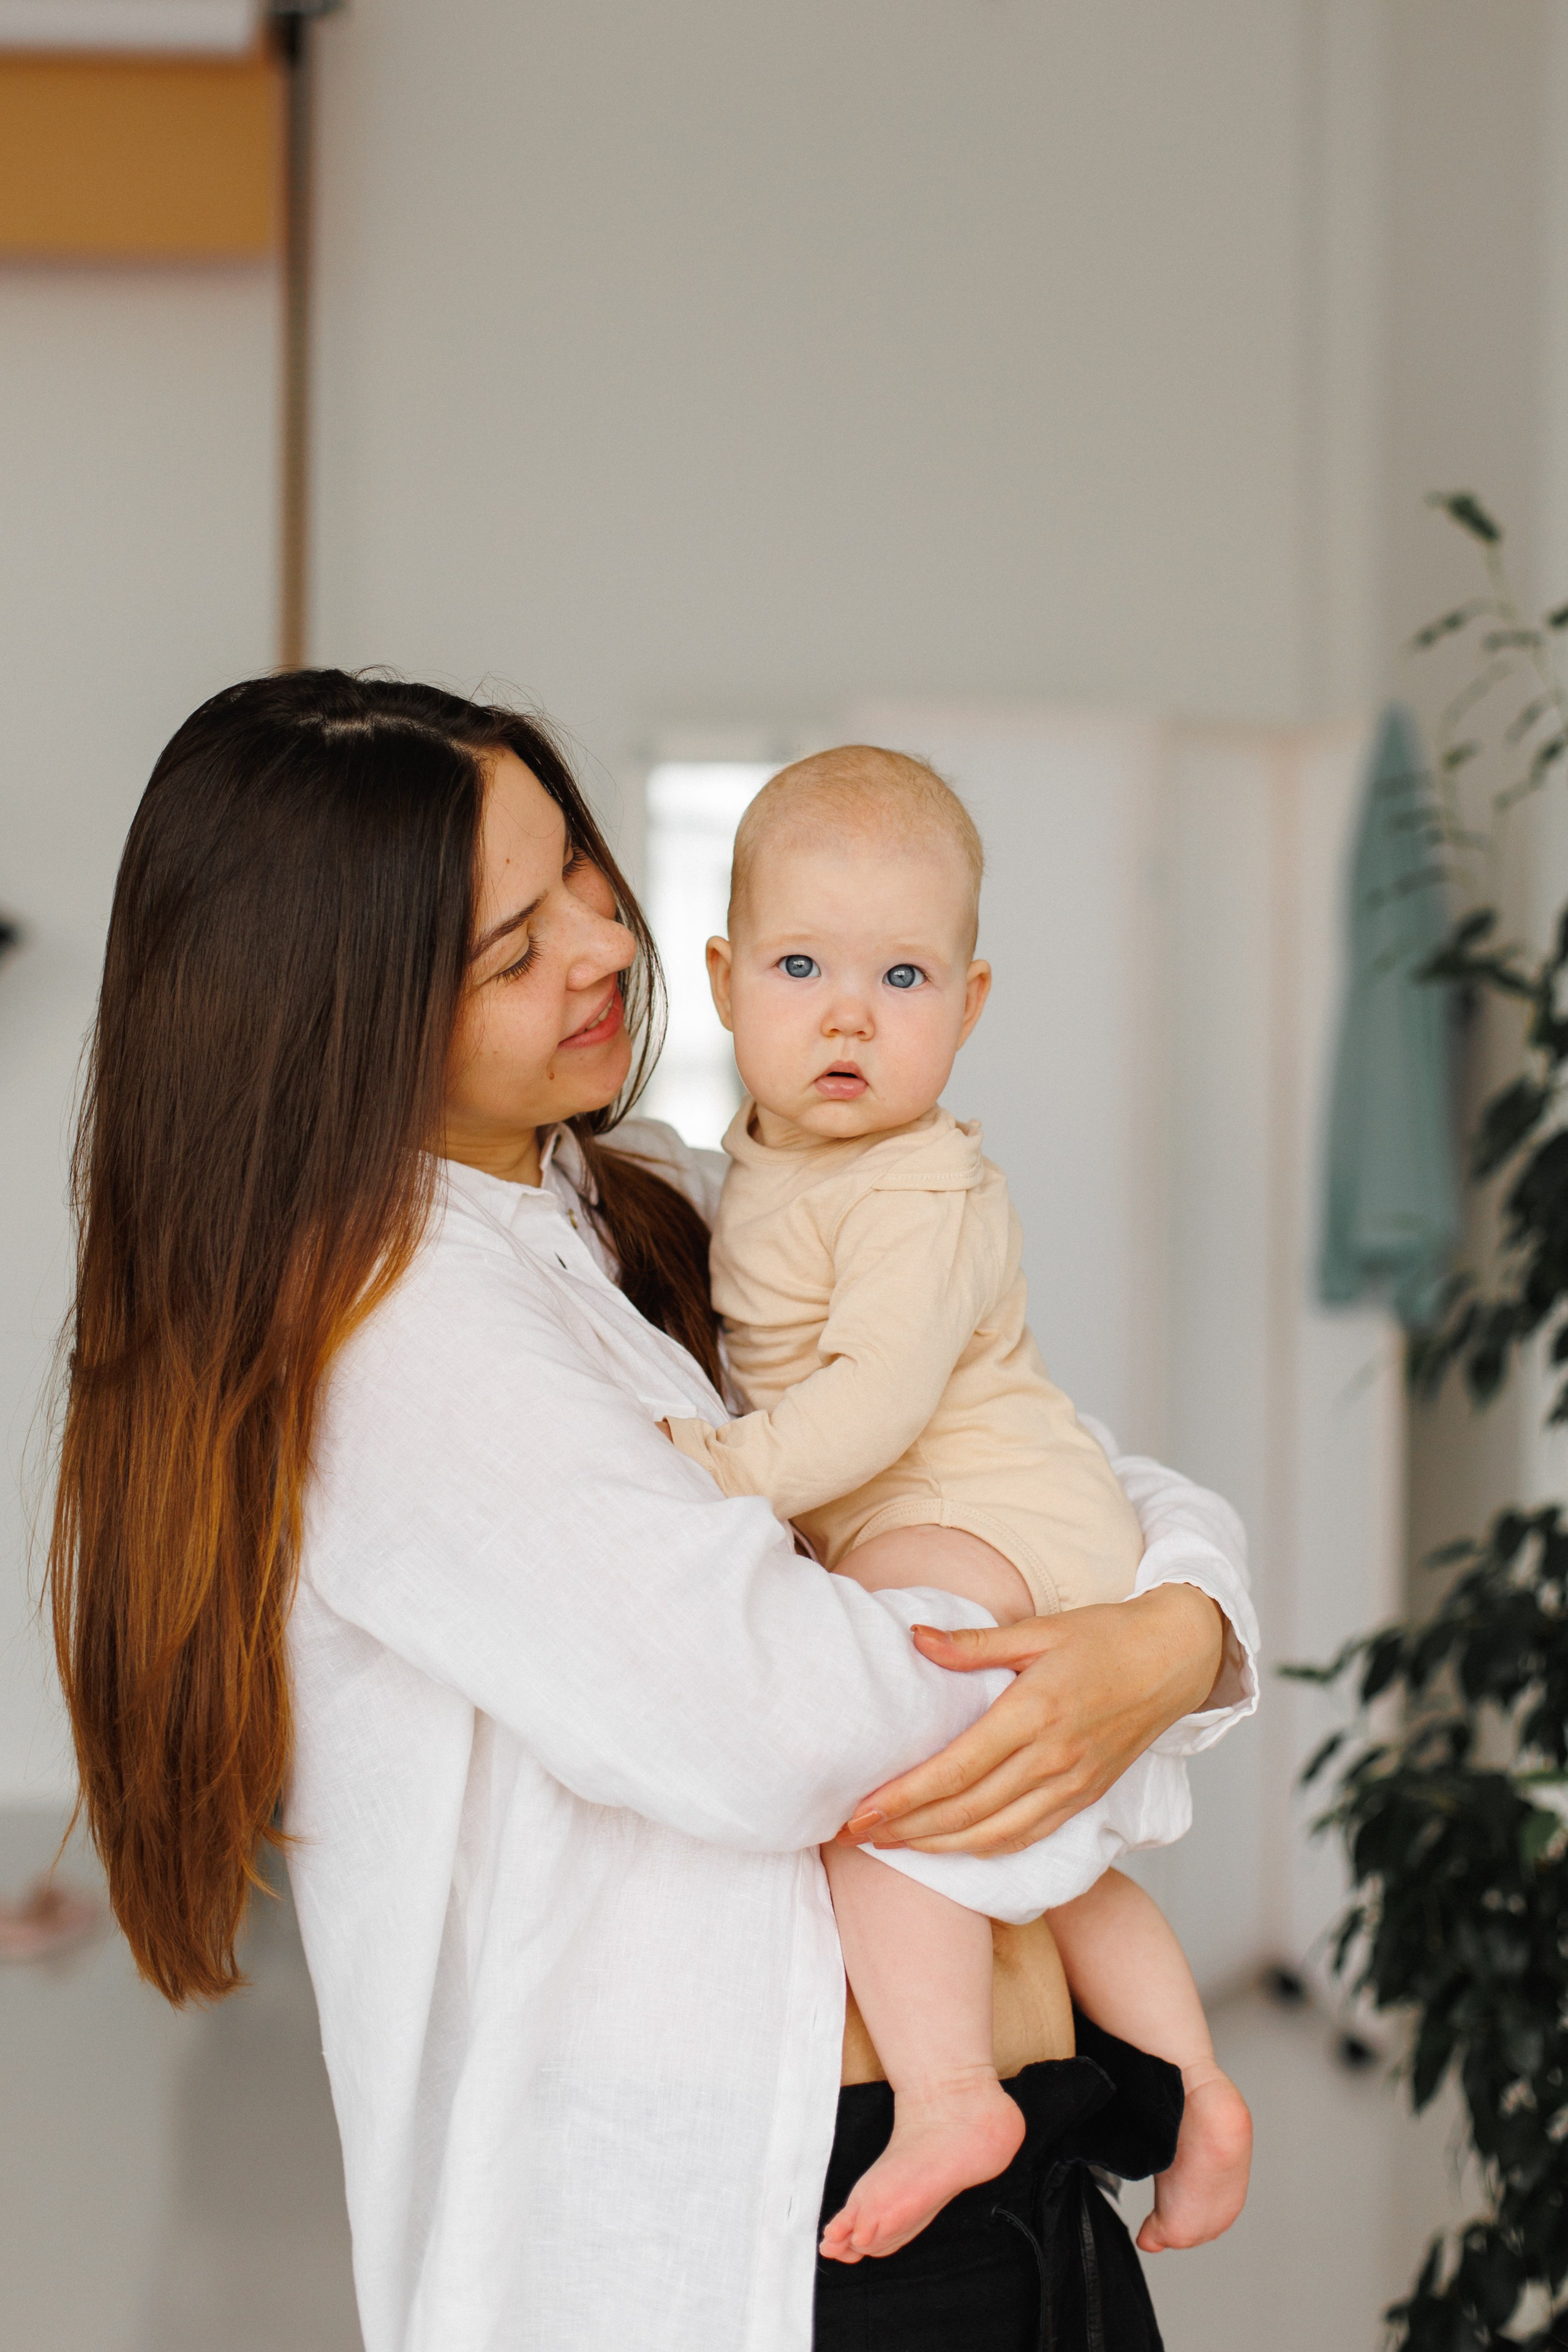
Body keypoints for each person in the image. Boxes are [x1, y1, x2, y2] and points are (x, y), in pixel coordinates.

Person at [47, 671, 1257, 2352]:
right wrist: (1103, 1651)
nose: (604, 946)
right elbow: (779, 1717)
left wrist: (1172, 1632)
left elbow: (1050, 1461)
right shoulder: (397, 1337)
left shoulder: (656, 1200)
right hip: (777, 2240)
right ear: (341, 1018)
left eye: (582, 874)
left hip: (1002, 2187)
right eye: (512, 948)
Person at [665, 746, 1251, 2264]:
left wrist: (716, 1471)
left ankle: (945, 2098)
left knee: (875, 1769)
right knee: (1037, 1846)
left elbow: (870, 1405)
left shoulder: (914, 1190)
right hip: (985, 1512)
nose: (848, 1014)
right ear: (723, 981)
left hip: (976, 1514)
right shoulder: (762, 1161)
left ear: (969, 1005)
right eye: (800, 966)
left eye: (903, 976)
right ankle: (1196, 2090)